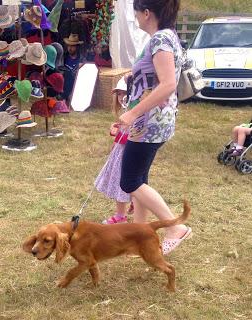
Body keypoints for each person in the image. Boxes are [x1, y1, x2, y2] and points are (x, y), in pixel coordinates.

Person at [118, 0, 192, 255]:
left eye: (136, 12)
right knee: (139, 179)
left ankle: (175, 227)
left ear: (147, 13)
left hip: (149, 122)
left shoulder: (160, 39)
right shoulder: (167, 37)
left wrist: (132, 113)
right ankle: (139, 235)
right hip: (155, 120)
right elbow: (157, 77)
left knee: (129, 181)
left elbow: (168, 83)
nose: (136, 17)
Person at [95, 77, 134, 224]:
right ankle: (128, 206)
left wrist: (118, 133)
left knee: (121, 181)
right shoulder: (126, 112)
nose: (120, 97)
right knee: (124, 180)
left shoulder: (134, 111)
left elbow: (129, 133)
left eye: (124, 94)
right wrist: (117, 129)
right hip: (121, 150)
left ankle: (120, 215)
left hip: (127, 151)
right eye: (118, 94)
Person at [62, 34, 84, 103]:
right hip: (63, 84)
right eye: (68, 45)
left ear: (77, 47)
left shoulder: (81, 60)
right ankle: (64, 96)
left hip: (75, 85)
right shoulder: (64, 57)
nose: (70, 48)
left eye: (72, 46)